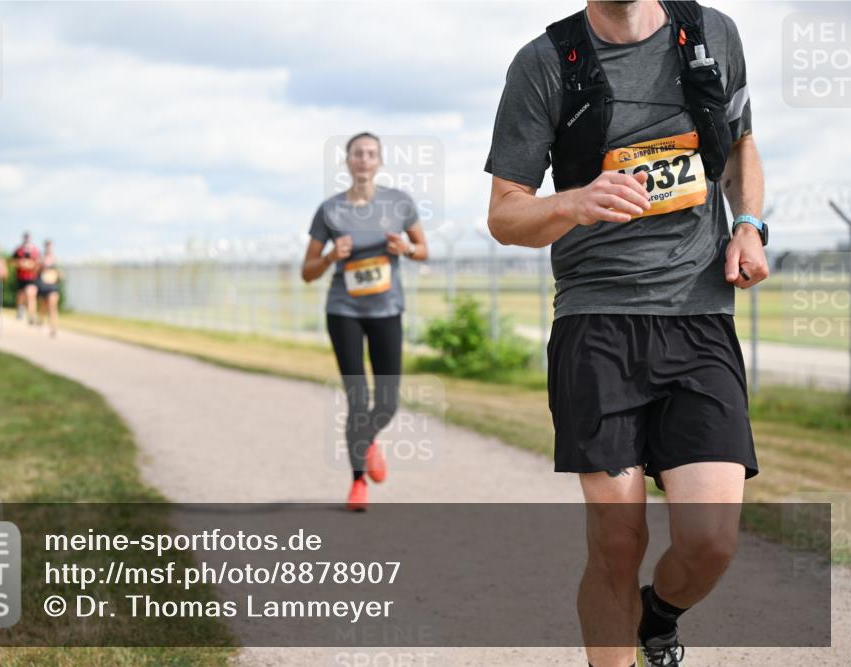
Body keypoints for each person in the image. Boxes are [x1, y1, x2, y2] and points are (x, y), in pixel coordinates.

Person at [484, 1, 766, 666]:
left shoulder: (712, 35)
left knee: (712, 539)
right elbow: (504, 214)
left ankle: (657, 618)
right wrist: (570, 202)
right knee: (617, 538)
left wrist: (750, 223)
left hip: (699, 319)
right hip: (597, 324)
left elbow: (742, 143)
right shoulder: (545, 63)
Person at [301, 132, 428, 512]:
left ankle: (368, 438)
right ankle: (358, 482)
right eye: (358, 153)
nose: (364, 159)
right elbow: (307, 271)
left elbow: (423, 251)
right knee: (359, 399)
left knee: (386, 402)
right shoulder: (330, 211)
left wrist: (405, 248)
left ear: (380, 161)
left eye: (371, 154)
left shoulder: (399, 203)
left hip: (387, 309)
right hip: (344, 311)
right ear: (347, 160)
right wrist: (328, 257)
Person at [35, 239, 63, 338]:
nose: (49, 248)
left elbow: (59, 272)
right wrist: (42, 266)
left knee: (53, 306)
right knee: (43, 306)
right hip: (43, 285)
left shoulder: (55, 258)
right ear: (45, 247)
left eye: (50, 246)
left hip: (53, 285)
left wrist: (60, 275)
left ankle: (53, 328)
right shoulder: (41, 258)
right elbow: (36, 271)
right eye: (47, 246)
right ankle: (40, 321)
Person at [12, 232, 40, 323]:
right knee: (20, 296)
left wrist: (31, 265)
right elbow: (12, 262)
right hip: (21, 277)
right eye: (25, 238)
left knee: (30, 294)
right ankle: (21, 308)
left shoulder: (35, 250)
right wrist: (20, 263)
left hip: (31, 278)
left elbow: (38, 264)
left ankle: (31, 315)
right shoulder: (18, 250)